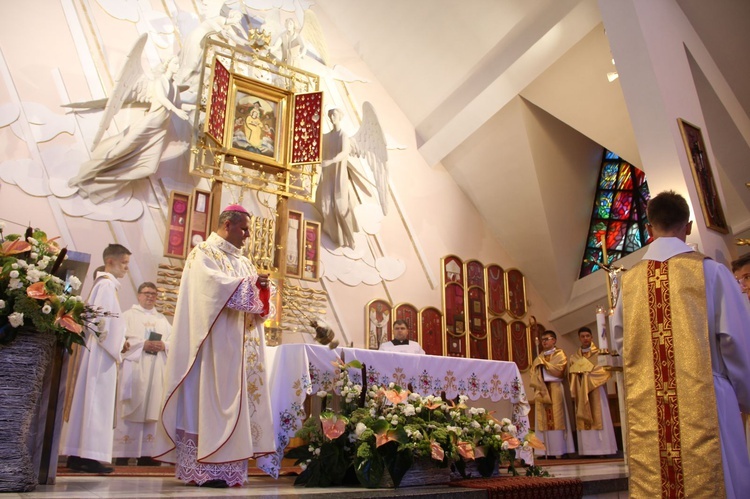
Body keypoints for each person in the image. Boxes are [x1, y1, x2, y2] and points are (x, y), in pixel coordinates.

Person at [613, 190, 750, 498]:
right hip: (709, 398)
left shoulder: (630, 282)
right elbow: (735, 341)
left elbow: (623, 342)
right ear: (687, 226)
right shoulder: (711, 271)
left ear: (649, 229)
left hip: (650, 403)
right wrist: (744, 393)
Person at [153, 205, 274, 488]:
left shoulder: (244, 262)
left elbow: (255, 299)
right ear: (227, 225)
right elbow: (211, 288)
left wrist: (264, 288)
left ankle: (230, 468)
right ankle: (205, 469)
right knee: (209, 401)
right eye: (244, 229)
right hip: (212, 348)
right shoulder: (203, 253)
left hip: (241, 348)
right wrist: (248, 285)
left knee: (238, 404)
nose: (248, 235)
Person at [68, 56, 189, 204]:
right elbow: (163, 99)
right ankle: (82, 176)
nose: (178, 66)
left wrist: (200, 108)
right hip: (148, 125)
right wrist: (176, 111)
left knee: (148, 168)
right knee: (117, 152)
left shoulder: (175, 88)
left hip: (159, 132)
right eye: (175, 63)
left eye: (178, 64)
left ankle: (100, 182)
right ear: (168, 65)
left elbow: (180, 105)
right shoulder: (159, 82)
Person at [60, 244, 131, 473]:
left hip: (98, 349)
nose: (126, 269)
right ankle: (89, 456)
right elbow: (103, 324)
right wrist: (119, 344)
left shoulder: (104, 285)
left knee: (90, 401)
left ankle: (77, 454)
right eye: (124, 263)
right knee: (96, 403)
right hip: (102, 353)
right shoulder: (107, 285)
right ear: (110, 262)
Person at [113, 282, 171, 466]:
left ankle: (148, 455)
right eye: (146, 293)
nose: (150, 297)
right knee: (132, 407)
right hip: (135, 368)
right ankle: (123, 453)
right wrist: (142, 344)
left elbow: (172, 341)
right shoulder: (127, 316)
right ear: (139, 295)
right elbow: (120, 341)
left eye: (154, 294)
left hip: (156, 370)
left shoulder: (162, 319)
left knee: (153, 407)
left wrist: (164, 346)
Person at [315, 108, 372, 248]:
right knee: (325, 205)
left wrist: (331, 160)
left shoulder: (343, 136)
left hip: (338, 174)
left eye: (334, 115)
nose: (331, 117)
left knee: (341, 207)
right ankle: (337, 237)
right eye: (330, 115)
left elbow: (344, 152)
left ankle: (349, 238)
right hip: (328, 175)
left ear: (339, 117)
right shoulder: (327, 137)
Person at [568, 326, 617, 456]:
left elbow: (605, 371)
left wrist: (587, 375)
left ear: (591, 337)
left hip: (596, 390)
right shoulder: (574, 357)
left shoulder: (600, 354)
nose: (585, 339)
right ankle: (587, 450)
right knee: (584, 419)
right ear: (579, 338)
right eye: (582, 336)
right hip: (582, 392)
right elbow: (571, 374)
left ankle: (603, 449)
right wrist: (581, 374)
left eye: (587, 336)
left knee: (599, 416)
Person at [528, 330, 575, 458]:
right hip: (542, 390)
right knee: (542, 420)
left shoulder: (560, 354)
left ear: (554, 340)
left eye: (547, 339)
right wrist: (538, 370)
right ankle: (544, 451)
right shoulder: (539, 356)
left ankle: (559, 450)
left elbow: (559, 370)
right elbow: (532, 374)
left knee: (557, 418)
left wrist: (544, 365)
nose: (544, 342)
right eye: (542, 340)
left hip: (554, 388)